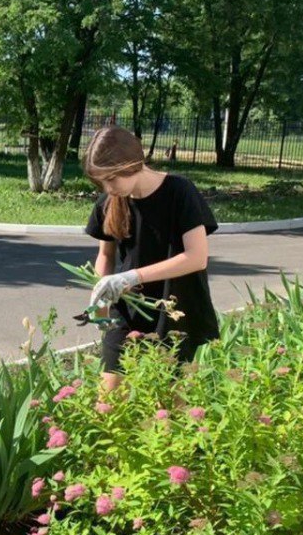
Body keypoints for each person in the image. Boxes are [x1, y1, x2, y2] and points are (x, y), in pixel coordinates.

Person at [82, 126, 219, 391]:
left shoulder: (180, 192)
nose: (108, 187)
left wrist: (133, 276)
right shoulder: (110, 201)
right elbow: (105, 256)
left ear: (132, 163)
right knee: (108, 402)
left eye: (111, 178)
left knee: (170, 405)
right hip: (127, 311)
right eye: (101, 182)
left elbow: (197, 257)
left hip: (175, 310)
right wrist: (101, 294)